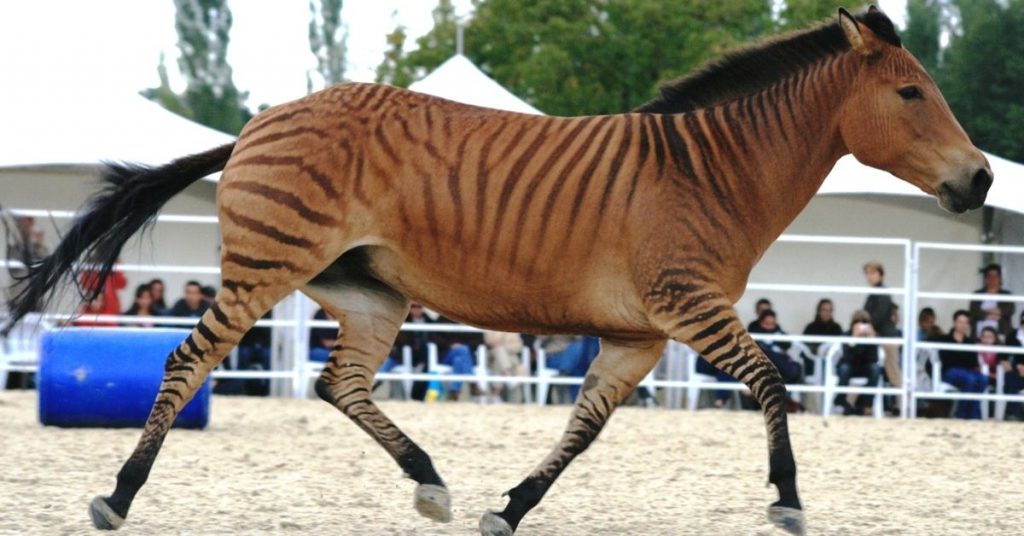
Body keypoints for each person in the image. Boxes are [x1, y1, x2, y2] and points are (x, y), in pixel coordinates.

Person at [937, 310, 988, 419]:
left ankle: (974, 414)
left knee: (983, 379)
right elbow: (947, 360)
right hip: (950, 372)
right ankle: (961, 414)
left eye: (966, 322)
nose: (963, 325)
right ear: (954, 323)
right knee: (970, 379)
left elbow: (973, 361)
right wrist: (963, 361)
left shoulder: (969, 342)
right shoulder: (945, 339)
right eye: (960, 322)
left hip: (966, 372)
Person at [834, 310, 881, 416]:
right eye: (857, 322)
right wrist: (854, 339)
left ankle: (864, 403)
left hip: (866, 367)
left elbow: (875, 358)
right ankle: (841, 402)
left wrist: (872, 340)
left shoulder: (873, 335)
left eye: (864, 322)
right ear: (852, 324)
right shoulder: (847, 335)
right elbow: (846, 357)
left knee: (875, 369)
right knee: (844, 368)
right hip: (851, 366)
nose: (861, 325)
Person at [862, 261, 900, 387]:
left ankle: (905, 404)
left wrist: (864, 327)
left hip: (887, 338)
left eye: (873, 273)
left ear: (881, 274)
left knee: (893, 373)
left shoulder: (882, 292)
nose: (869, 276)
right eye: (867, 273)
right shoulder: (875, 293)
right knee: (892, 372)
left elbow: (878, 316)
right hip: (882, 336)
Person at [969, 263, 1015, 336]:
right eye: (989, 276)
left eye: (995, 276)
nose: (992, 279)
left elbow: (1009, 310)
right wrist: (990, 314)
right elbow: (973, 311)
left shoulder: (1006, 294)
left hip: (1000, 335)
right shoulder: (977, 294)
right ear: (985, 278)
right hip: (979, 335)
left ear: (1000, 278)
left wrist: (985, 311)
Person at [802, 298, 842, 372]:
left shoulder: (836, 328)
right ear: (819, 311)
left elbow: (840, 347)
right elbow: (804, 346)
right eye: (824, 310)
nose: (827, 313)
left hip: (833, 362)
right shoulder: (811, 327)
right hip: (813, 361)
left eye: (830, 310)